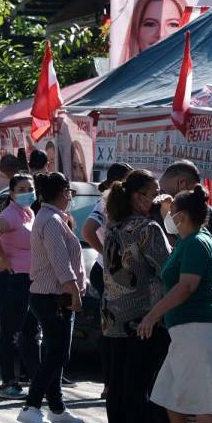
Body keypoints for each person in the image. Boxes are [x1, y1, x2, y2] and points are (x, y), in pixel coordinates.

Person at [139, 185, 212, 423]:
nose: (168, 217)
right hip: (186, 330)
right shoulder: (189, 240)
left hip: (199, 329)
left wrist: (153, 315)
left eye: (172, 213)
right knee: (167, 388)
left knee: (203, 394)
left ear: (182, 216)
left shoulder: (196, 243)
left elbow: (187, 286)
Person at [99, 169, 171, 423]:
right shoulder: (147, 228)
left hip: (112, 315)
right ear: (138, 196)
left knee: (117, 383)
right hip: (143, 316)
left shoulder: (114, 225)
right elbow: (167, 267)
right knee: (141, 381)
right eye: (153, 194)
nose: (156, 200)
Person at [16, 172, 88, 423]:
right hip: (54, 296)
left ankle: (57, 408)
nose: (71, 197)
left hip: (51, 295)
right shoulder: (51, 220)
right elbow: (61, 263)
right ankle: (31, 405)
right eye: (70, 192)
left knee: (54, 353)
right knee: (58, 354)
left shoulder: (53, 218)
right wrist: (75, 293)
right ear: (64, 192)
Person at [0, 174, 40, 399]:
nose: (27, 191)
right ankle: (8, 383)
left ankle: (38, 381)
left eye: (30, 187)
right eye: (21, 188)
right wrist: (3, 258)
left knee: (31, 332)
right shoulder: (10, 214)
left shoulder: (28, 212)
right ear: (12, 193)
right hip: (11, 280)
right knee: (11, 332)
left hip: (29, 280)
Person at [82, 162, 132, 395]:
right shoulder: (106, 202)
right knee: (112, 329)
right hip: (108, 272)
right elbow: (88, 230)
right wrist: (107, 255)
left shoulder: (124, 203)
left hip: (119, 273)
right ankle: (110, 383)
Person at [119, 0, 187, 64]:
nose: (161, 34)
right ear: (136, 30)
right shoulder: (122, 75)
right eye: (150, 24)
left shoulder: (199, 75)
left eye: (173, 24)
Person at [159, 159, 212, 230]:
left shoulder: (146, 203)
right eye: (193, 192)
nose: (197, 197)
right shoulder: (208, 214)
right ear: (182, 183)